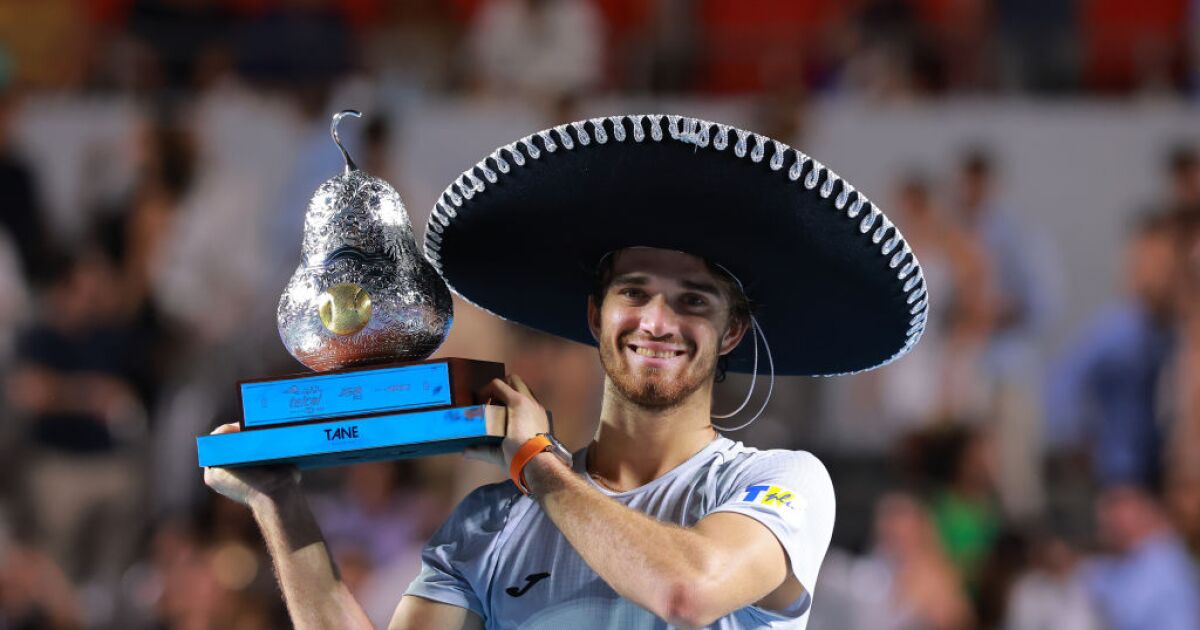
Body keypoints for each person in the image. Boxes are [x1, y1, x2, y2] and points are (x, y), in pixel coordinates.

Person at [203, 114, 930, 629]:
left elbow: (688, 592)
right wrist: (280, 505)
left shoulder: (778, 482)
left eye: (693, 301)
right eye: (634, 293)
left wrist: (537, 463)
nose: (657, 321)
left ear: (731, 331)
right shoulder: (488, 524)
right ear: (594, 315)